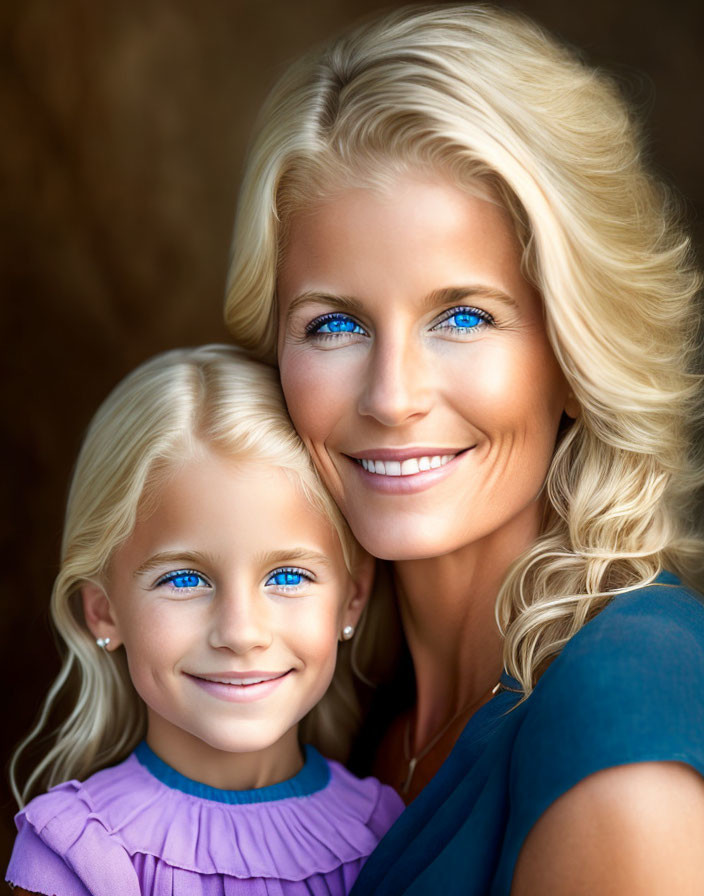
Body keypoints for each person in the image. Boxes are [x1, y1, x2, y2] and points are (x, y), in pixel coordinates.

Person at [224, 5, 704, 893]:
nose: (393, 397)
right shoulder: (343, 696)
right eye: (334, 324)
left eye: (464, 316)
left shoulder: (619, 724)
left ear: (573, 349)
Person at [6, 345, 403, 895]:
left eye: (287, 577)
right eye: (185, 580)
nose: (241, 633)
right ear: (103, 610)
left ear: (352, 600)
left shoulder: (388, 831)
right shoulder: (77, 853)